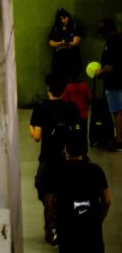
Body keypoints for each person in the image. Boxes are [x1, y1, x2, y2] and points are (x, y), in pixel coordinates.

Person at [43, 133, 111, 253]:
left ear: (66, 150)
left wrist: (49, 228)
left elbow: (49, 204)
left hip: (67, 231)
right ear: (84, 150)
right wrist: (99, 219)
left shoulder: (55, 171)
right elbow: (107, 200)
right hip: (91, 231)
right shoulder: (95, 171)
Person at [29, 72, 80, 239]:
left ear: (48, 88)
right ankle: (63, 222)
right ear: (64, 89)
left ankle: (48, 229)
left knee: (46, 192)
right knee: (65, 193)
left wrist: (30, 127)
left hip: (48, 159)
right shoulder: (71, 108)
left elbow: (37, 137)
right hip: (67, 159)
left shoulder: (40, 107)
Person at [95, 18, 122, 151]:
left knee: (117, 112)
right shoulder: (116, 38)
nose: (102, 35)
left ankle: (119, 140)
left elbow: (110, 66)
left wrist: (99, 72)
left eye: (103, 32)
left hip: (115, 82)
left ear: (109, 30)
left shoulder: (114, 42)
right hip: (115, 81)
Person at [48, 7, 83, 81]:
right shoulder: (56, 28)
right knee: (59, 80)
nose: (62, 20)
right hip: (59, 60)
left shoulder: (74, 27)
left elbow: (75, 42)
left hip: (72, 59)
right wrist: (61, 43)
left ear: (68, 17)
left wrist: (61, 46)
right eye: (60, 19)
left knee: (73, 80)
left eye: (64, 17)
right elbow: (51, 42)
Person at [61, 71, 91, 153]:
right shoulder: (84, 85)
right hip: (83, 115)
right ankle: (84, 154)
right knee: (83, 134)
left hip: (71, 116)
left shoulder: (68, 87)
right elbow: (89, 99)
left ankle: (72, 152)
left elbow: (64, 101)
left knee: (72, 134)